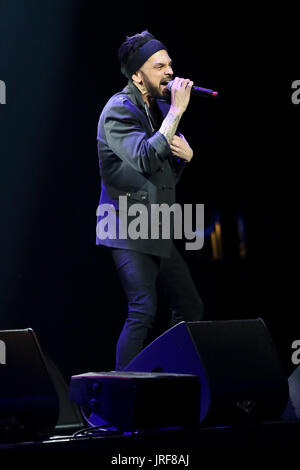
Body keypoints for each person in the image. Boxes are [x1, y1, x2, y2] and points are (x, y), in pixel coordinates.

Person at [96, 31, 204, 370]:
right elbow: (143, 158)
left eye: (170, 64)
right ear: (137, 75)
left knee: (189, 307)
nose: (170, 72)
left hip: (154, 225)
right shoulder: (119, 110)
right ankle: (123, 399)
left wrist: (183, 160)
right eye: (160, 66)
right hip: (125, 224)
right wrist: (176, 112)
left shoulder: (155, 109)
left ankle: (165, 376)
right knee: (143, 307)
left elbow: (162, 177)